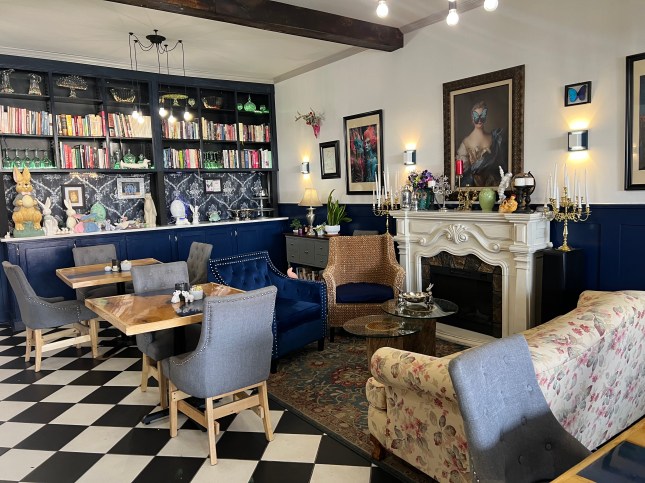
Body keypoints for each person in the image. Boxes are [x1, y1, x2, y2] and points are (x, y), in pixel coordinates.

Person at [456, 101, 506, 187]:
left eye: (482, 116)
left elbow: (500, 164)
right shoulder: (466, 141)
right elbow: (463, 171)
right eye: (476, 117)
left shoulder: (494, 137)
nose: (479, 120)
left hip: (493, 184)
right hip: (473, 186)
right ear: (472, 118)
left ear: (485, 117)